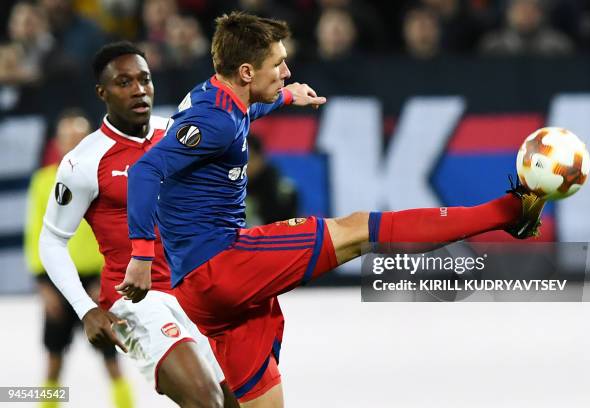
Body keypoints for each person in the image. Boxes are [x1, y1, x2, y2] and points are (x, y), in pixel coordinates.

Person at [123, 12, 546, 407]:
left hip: (204, 289)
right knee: (361, 229)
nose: (287, 71)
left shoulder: (217, 95)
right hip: (222, 264)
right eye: (279, 65)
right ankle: (508, 212)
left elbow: (244, 110)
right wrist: (141, 256)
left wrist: (285, 96)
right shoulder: (212, 120)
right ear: (248, 72)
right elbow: (145, 170)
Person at [38, 41, 238, 408]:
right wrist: (85, 309)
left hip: (196, 293)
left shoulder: (177, 134)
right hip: (137, 301)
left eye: (144, 80)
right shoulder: (82, 163)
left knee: (236, 404)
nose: (138, 90)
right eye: (124, 82)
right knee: (205, 400)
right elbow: (51, 241)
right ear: (103, 92)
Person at [25, 109, 134, 408]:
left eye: (79, 137)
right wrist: (43, 285)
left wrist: (107, 279)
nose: (73, 143)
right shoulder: (42, 182)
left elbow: (117, 232)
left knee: (112, 357)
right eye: (67, 138)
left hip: (97, 281)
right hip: (57, 282)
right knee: (54, 358)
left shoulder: (104, 177)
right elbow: (35, 234)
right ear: (57, 143)